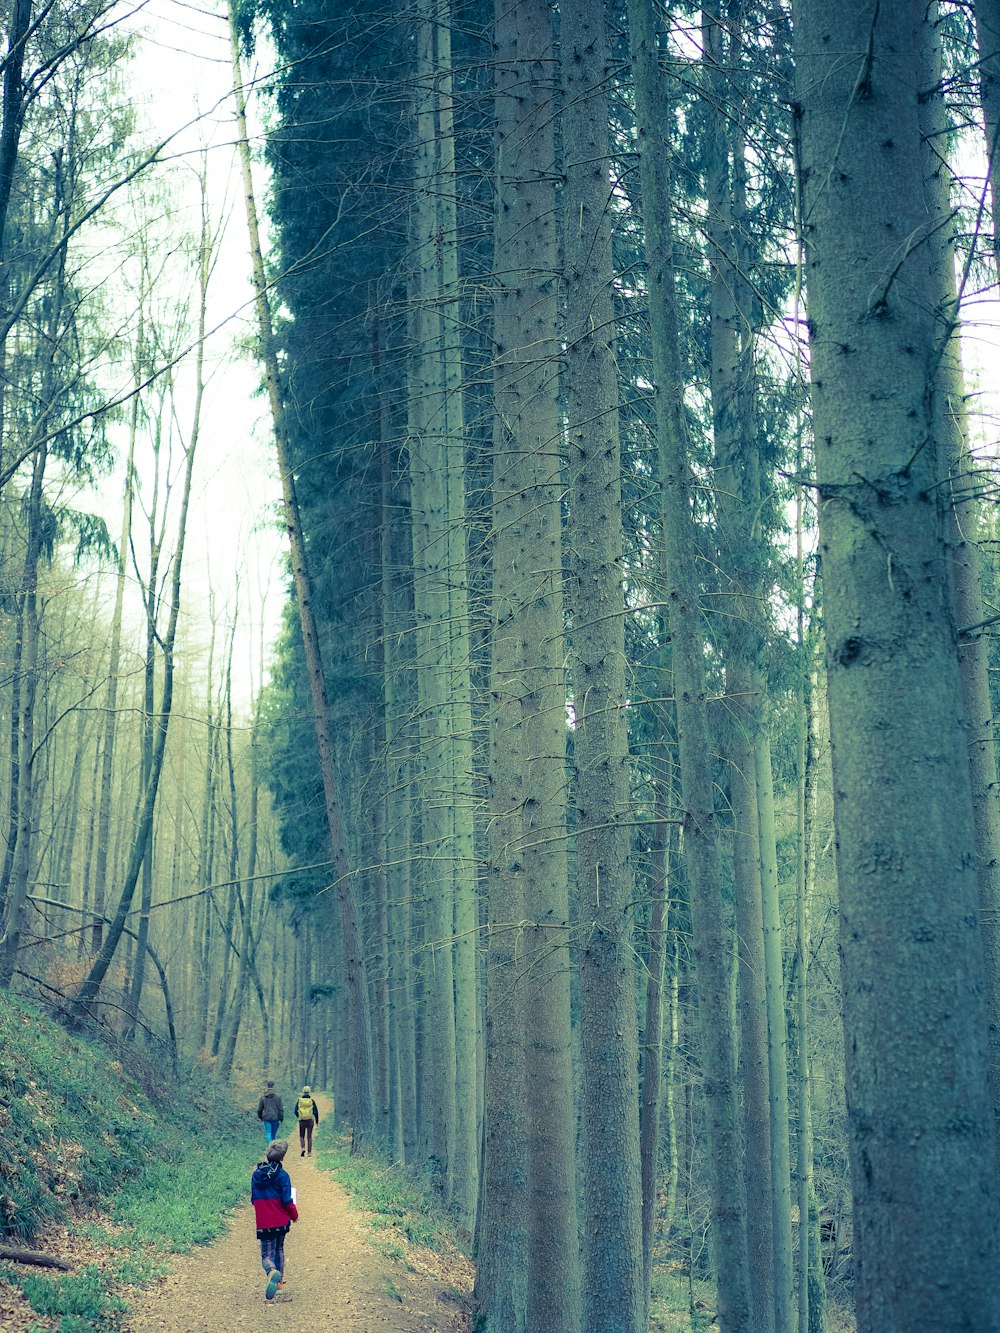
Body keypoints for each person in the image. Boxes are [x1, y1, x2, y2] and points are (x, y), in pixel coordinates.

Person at [251, 1138, 298, 1302]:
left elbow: (253, 1199)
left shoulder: (256, 1175)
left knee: (266, 1254)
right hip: (281, 1221)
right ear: (283, 1157)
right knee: (279, 1250)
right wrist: (294, 1215)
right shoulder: (283, 1175)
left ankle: (271, 1271)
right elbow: (287, 1200)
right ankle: (278, 1287)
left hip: (264, 1222)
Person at [294, 1085, 319, 1157]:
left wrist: (299, 1116)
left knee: (302, 1135)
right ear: (309, 1092)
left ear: (303, 1092)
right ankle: (309, 1152)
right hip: (310, 1120)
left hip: (302, 1120)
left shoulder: (299, 1100)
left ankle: (302, 1148)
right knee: (309, 1136)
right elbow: (316, 1112)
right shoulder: (312, 1101)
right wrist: (317, 1121)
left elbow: (295, 1111)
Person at [256, 1080, 283, 1145]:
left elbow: (259, 1109)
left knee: (268, 1133)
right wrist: (281, 1118)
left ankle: (269, 1146)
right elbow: (280, 1109)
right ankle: (273, 1147)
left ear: (267, 1086)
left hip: (266, 1117)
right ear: (273, 1086)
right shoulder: (278, 1097)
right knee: (273, 1134)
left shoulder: (263, 1097)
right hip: (275, 1117)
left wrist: (261, 1117)